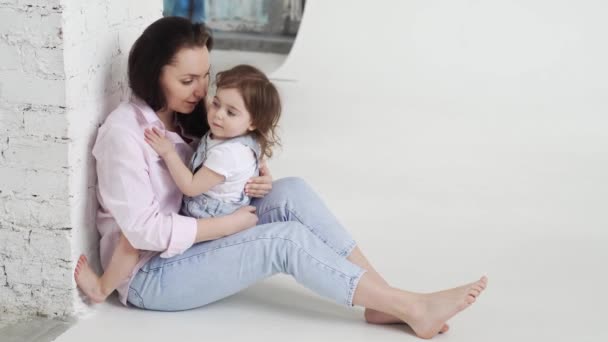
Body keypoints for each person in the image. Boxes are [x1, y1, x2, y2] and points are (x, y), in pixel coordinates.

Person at [74, 16, 487, 339]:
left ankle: (384, 301)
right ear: (152, 74)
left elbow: (226, 158)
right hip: (152, 274)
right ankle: (413, 309)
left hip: (192, 238)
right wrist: (229, 224)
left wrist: (253, 179)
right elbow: (143, 232)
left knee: (292, 192)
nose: (201, 92)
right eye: (187, 80)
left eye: (204, 77)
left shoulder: (188, 117)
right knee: (283, 240)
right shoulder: (124, 134)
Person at [75, 64, 281, 303]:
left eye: (231, 112)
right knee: (136, 234)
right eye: (216, 104)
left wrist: (168, 152)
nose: (218, 114)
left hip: (211, 217)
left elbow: (191, 187)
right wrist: (264, 175)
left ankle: (101, 289)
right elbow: (251, 164)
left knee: (131, 237)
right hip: (211, 212)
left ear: (253, 122)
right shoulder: (233, 135)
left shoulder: (228, 152)